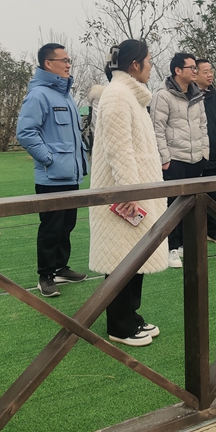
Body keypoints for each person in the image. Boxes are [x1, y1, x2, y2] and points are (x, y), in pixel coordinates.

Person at [89, 40, 168, 347]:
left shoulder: (128, 95)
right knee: (120, 259)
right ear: (135, 64)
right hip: (125, 195)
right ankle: (119, 326)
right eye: (148, 61)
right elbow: (118, 148)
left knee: (134, 257)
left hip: (136, 191)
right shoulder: (118, 95)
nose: (150, 66)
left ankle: (131, 316)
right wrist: (129, 191)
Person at [16, 44, 88, 298]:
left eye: (69, 60)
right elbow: (26, 133)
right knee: (51, 227)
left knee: (67, 224)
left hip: (70, 174)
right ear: (48, 64)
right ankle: (45, 275)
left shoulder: (66, 95)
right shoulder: (39, 95)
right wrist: (49, 159)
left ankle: (60, 268)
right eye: (63, 60)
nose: (68, 64)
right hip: (51, 177)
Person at [150, 52, 209, 267]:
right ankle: (171, 248)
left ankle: (185, 244)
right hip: (174, 159)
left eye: (195, 68)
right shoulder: (162, 96)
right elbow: (157, 129)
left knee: (192, 205)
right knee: (172, 205)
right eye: (191, 68)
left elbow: (203, 125)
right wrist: (165, 158)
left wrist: (205, 153)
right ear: (177, 70)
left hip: (196, 158)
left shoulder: (197, 95)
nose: (195, 71)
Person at [195, 58, 216, 245]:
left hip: (214, 152)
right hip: (193, 154)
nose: (210, 75)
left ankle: (213, 230)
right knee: (190, 194)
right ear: (195, 74)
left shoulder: (215, 96)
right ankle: (189, 233)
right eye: (205, 72)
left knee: (213, 194)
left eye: (211, 71)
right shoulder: (189, 96)